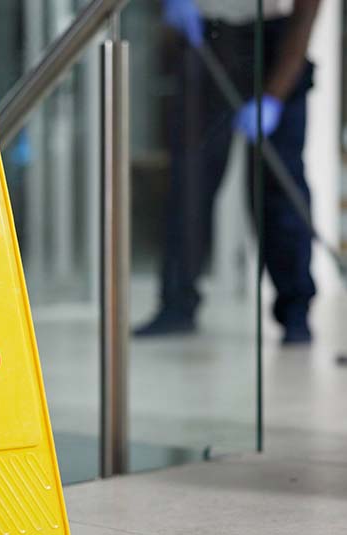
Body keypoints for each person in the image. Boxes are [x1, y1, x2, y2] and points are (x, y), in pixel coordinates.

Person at [136, 0, 321, 344]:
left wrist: (274, 99)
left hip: (275, 43)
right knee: (190, 182)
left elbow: (306, 12)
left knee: (279, 188)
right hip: (207, 37)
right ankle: (176, 305)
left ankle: (296, 311)